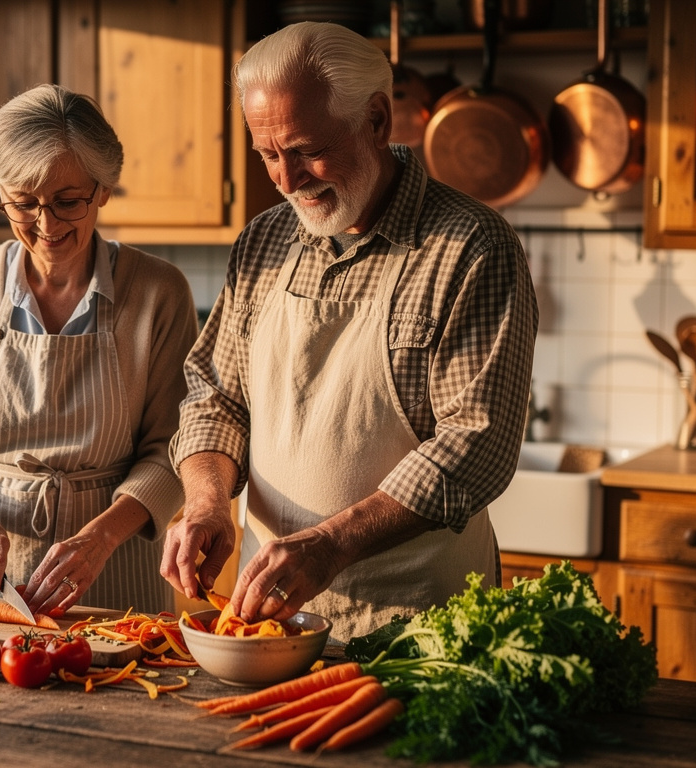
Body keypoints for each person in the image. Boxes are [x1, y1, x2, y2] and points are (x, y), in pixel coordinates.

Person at [160, 22, 537, 641]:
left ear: (377, 120)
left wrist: (331, 543)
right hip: (273, 621)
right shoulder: (263, 241)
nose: (286, 180)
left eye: (307, 149)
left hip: (419, 624)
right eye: (268, 154)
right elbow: (216, 397)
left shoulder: (471, 247)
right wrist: (207, 502)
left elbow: (475, 445)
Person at [0, 84, 198, 616]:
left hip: (115, 573)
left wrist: (101, 537)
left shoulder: (158, 292)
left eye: (67, 201)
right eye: (23, 203)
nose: (47, 224)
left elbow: (173, 449)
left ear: (103, 189)